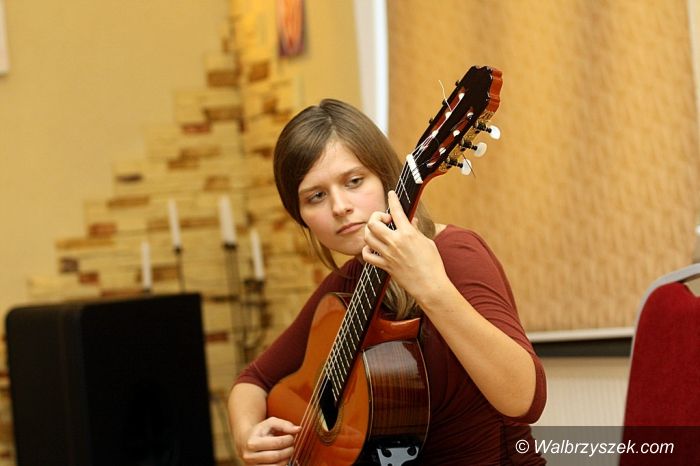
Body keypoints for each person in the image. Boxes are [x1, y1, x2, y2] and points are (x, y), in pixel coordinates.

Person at [228, 98, 546, 465]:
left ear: (386, 179)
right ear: (301, 217)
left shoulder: (456, 254)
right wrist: (246, 434)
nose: (339, 206)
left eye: (354, 181)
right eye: (316, 197)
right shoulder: (345, 284)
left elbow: (526, 400)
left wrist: (430, 287)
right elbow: (252, 381)